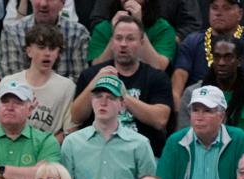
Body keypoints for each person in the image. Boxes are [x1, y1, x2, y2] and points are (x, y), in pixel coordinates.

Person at [72, 15, 172, 156]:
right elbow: (76, 117)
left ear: (141, 42)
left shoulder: (157, 77)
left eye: (130, 39)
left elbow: (160, 120)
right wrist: (94, 84)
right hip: (98, 152)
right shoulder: (91, 75)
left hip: (142, 154)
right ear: (112, 42)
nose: (123, 44)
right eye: (118, 38)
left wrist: (122, 94)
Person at [60, 74, 155, 179]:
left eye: (110, 98)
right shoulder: (72, 142)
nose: (103, 103)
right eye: (98, 96)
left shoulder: (140, 144)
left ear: (122, 105)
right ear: (92, 100)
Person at [157, 85, 244, 179]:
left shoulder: (238, 139)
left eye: (207, 111)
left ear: (221, 116)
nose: (199, 117)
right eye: (195, 110)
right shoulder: (175, 142)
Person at [176, 34, 244, 151]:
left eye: (228, 57)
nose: (221, 62)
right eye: (217, 57)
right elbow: (185, 135)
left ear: (239, 61)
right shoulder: (193, 93)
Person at [171, 0, 244, 104]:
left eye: (226, 8)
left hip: (239, 104)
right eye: (214, 8)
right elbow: (176, 88)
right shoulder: (192, 41)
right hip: (197, 107)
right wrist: (180, 113)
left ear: (240, 14)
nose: (218, 13)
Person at [0, 23, 74, 138]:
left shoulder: (67, 87)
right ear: (29, 51)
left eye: (52, 48)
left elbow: (68, 131)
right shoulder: (8, 82)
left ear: (58, 53)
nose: (47, 53)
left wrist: (45, 147)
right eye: (41, 47)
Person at [0, 0, 90, 81]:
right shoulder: (12, 32)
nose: (43, 4)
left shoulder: (78, 33)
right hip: (22, 98)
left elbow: (79, 79)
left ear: (63, 3)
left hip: (66, 98)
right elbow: (11, 79)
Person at [88, 0, 176, 71]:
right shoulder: (102, 28)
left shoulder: (163, 29)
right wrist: (115, 32)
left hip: (148, 85)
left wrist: (138, 25)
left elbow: (158, 67)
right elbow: (96, 68)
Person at [88, 0, 200, 41]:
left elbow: (193, 25)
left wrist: (165, 40)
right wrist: (116, 33)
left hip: (164, 52)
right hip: (115, 47)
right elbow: (96, 21)